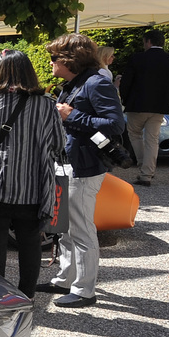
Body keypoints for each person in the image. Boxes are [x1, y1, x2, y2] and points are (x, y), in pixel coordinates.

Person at [0, 52, 67, 297]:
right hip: (34, 185)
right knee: (30, 242)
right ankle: (26, 296)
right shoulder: (46, 104)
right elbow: (59, 143)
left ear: (0, 73)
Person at [37, 34, 126, 308]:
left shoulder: (97, 82)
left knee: (81, 228)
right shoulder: (77, 82)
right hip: (67, 162)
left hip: (84, 166)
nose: (50, 62)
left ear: (69, 60)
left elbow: (115, 124)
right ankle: (66, 279)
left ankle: (84, 290)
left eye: (54, 58)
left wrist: (72, 115)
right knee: (64, 226)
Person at [117, 29, 169, 187]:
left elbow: (126, 82)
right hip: (159, 107)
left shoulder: (137, 58)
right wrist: (168, 103)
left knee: (134, 135)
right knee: (152, 140)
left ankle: (144, 167)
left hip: (136, 105)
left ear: (148, 42)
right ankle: (147, 173)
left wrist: (126, 100)